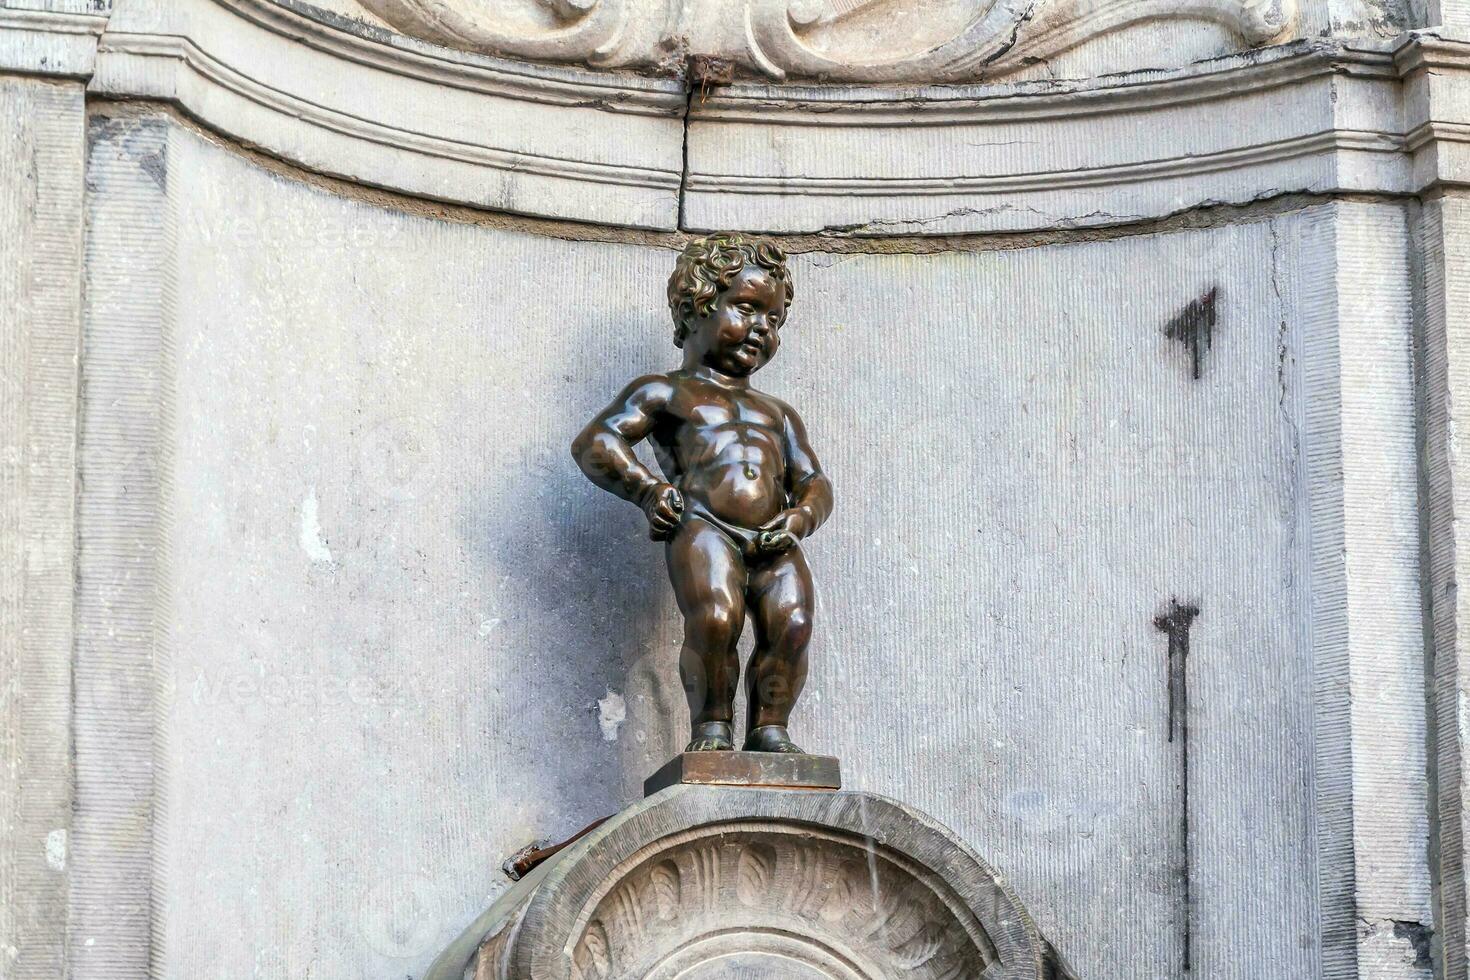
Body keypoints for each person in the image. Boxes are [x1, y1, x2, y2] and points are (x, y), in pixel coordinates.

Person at [572, 233, 833, 753]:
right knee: (716, 617)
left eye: (774, 319)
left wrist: (799, 519)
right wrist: (647, 491)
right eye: (748, 307)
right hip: (704, 525)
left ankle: (770, 729)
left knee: (794, 622)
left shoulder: (776, 413)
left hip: (776, 537)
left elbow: (815, 483)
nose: (762, 327)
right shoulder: (665, 391)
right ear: (696, 307)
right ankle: (712, 727)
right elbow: (596, 441)